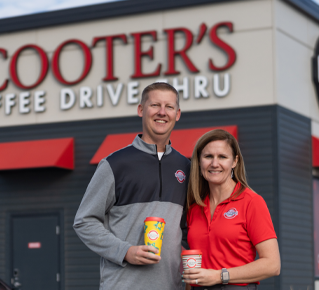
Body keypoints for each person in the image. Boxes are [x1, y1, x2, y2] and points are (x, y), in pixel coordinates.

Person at [73, 82, 190, 289]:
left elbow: (189, 229)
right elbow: (84, 221)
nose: (162, 112)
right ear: (141, 110)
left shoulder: (186, 167)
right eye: (155, 105)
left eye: (169, 107)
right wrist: (125, 251)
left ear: (178, 114)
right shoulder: (115, 164)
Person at [183, 129, 280, 289]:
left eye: (222, 157)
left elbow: (272, 264)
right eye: (208, 156)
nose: (215, 163)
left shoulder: (251, 202)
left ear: (234, 161)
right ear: (199, 161)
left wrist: (219, 276)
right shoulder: (194, 208)